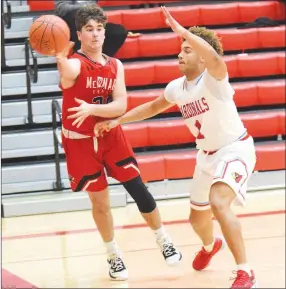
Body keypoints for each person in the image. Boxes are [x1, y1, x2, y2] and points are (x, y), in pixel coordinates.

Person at [68, 6, 258, 289]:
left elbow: (215, 58)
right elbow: (152, 107)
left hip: (234, 150)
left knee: (219, 204)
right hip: (205, 156)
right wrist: (117, 120)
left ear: (203, 58)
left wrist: (184, 32)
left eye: (188, 50)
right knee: (196, 219)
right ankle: (210, 246)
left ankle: (245, 271)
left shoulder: (215, 78)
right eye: (180, 49)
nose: (180, 54)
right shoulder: (177, 87)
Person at [56, 3, 182, 281]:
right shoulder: (77, 63)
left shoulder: (115, 65)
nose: (96, 34)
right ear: (79, 35)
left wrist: (92, 110)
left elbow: (121, 105)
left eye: (99, 29)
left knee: (138, 188)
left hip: (110, 135)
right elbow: (68, 71)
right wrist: (58, 55)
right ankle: (113, 255)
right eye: (89, 29)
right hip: (80, 142)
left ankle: (163, 239)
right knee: (100, 203)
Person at [55, 0, 140, 56]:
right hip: (70, 26)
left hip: (91, 21)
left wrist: (101, 25)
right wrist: (84, 7)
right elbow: (61, 9)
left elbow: (95, 9)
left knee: (119, 31)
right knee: (79, 22)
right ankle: (83, 61)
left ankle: (100, 60)